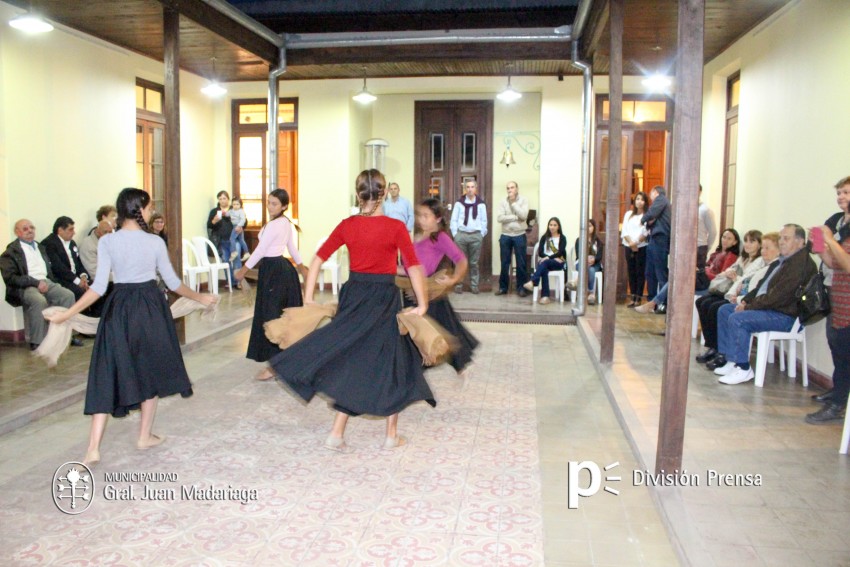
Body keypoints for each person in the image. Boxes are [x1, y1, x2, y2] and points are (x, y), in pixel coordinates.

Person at [44, 188, 217, 466]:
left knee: (106, 373)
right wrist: (201, 297)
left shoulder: (108, 242)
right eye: (148, 208)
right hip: (150, 309)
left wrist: (68, 314)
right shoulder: (154, 242)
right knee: (149, 370)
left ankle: (92, 449)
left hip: (119, 309)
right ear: (139, 209)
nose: (150, 212)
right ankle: (144, 436)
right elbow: (173, 283)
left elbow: (99, 288)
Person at [268, 169, 433, 452]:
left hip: (354, 295)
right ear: (383, 194)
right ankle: (390, 436)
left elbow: (317, 259)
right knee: (394, 360)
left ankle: (337, 433)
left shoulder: (348, 225)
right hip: (383, 298)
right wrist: (422, 303)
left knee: (352, 358)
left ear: (358, 195)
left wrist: (309, 297)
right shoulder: (395, 227)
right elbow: (414, 267)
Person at [712, 224, 817, 385]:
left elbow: (778, 297)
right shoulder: (782, 261)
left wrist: (748, 307)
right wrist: (746, 300)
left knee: (738, 319)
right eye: (780, 238)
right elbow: (761, 286)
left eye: (786, 238)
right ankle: (731, 360)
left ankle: (743, 368)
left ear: (800, 241)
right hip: (769, 308)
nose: (781, 242)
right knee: (725, 310)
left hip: (785, 315)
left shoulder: (800, 265)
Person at [403, 198, 479, 374]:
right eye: (419, 215)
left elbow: (461, 260)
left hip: (431, 296)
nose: (421, 219)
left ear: (437, 218)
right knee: (418, 336)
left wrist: (454, 279)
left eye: (426, 216)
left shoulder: (440, 237)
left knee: (447, 335)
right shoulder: (416, 238)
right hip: (412, 292)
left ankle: (461, 368)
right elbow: (409, 268)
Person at [234, 189, 306, 372]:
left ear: (284, 206)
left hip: (274, 271)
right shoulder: (283, 222)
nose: (270, 206)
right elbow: (291, 247)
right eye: (269, 202)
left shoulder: (277, 224)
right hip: (279, 269)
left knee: (271, 313)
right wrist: (300, 267)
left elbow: (261, 250)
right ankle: (281, 356)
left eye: (274, 204)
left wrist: (243, 271)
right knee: (275, 312)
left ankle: (275, 359)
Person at [807, 176, 850, 423]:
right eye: (839, 193)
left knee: (845, 352)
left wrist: (831, 240)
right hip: (837, 295)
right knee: (837, 347)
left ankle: (838, 405)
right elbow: (834, 263)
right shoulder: (837, 220)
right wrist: (819, 243)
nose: (841, 197)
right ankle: (838, 393)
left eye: (846, 192)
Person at [695, 230, 769, 366]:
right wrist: (728, 273)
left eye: (752, 241)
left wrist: (735, 277)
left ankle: (721, 349)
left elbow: (749, 282)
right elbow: (727, 271)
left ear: (760, 245)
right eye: (746, 241)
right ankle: (712, 345)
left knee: (715, 307)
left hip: (740, 296)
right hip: (730, 291)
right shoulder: (743, 258)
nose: (747, 244)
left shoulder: (760, 262)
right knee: (702, 302)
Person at [1, 219, 76, 350]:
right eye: (25, 229)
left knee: (68, 295)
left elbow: (49, 270)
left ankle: (63, 336)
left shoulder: (40, 247)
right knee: (38, 301)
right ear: (17, 232)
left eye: (32, 227)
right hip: (26, 286)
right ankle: (38, 342)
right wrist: (35, 283)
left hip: (46, 281)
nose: (29, 231)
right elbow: (10, 278)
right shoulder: (11, 252)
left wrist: (50, 282)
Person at [636, 228, 742, 314]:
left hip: (711, 286)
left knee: (676, 283)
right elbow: (707, 266)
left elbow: (722, 276)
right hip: (703, 281)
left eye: (729, 239)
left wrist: (704, 271)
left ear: (735, 242)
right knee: (676, 281)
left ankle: (654, 303)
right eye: (724, 237)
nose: (725, 240)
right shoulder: (717, 253)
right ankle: (658, 308)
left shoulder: (731, 256)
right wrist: (701, 270)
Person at [449, 179, 487, 294]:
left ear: (476, 188)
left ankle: (474, 285)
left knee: (474, 263)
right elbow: (454, 220)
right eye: (468, 187)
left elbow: (484, 221)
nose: (470, 189)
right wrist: (455, 234)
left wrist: (481, 234)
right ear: (465, 189)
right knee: (460, 261)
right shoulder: (459, 203)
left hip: (476, 236)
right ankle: (459, 284)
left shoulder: (481, 204)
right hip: (461, 235)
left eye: (472, 187)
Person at [41, 216, 90, 302]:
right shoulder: (49, 244)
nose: (74, 233)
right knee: (79, 291)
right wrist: (77, 281)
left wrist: (83, 276)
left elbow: (78, 262)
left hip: (75, 277)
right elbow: (58, 268)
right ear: (60, 230)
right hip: (61, 279)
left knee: (96, 287)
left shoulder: (72, 243)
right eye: (70, 230)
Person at [495, 181, 530, 297]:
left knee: (521, 263)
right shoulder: (503, 201)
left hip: (519, 235)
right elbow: (500, 218)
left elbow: (523, 216)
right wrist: (515, 217)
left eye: (512, 187)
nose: (510, 190)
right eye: (508, 188)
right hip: (505, 235)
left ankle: (521, 288)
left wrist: (514, 203)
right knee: (504, 263)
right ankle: (503, 288)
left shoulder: (524, 200)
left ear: (517, 189)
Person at [523, 217, 567, 305]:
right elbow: (540, 253)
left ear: (558, 226)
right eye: (550, 225)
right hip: (546, 261)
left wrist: (549, 258)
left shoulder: (562, 237)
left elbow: (560, 252)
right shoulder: (545, 237)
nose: (552, 227)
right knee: (544, 267)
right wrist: (548, 258)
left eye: (555, 225)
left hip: (558, 262)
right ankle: (545, 297)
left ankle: (533, 282)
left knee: (544, 263)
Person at [642, 185, 671, 303]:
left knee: (660, 272)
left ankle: (663, 302)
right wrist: (648, 221)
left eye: (651, 193)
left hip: (660, 238)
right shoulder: (662, 203)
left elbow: (650, 214)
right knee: (650, 272)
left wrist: (643, 219)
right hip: (654, 238)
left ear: (655, 192)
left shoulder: (661, 199)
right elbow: (650, 220)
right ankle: (652, 300)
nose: (650, 196)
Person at [206, 190, 240, 289]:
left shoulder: (234, 209)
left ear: (228, 199)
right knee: (225, 260)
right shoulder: (214, 211)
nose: (222, 200)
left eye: (224, 198)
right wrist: (214, 220)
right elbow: (209, 225)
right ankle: (230, 282)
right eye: (220, 199)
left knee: (237, 258)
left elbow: (244, 221)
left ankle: (238, 282)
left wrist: (240, 225)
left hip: (234, 239)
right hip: (221, 240)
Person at [621, 191, 649, 307]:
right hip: (628, 246)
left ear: (645, 202)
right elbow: (624, 231)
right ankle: (632, 297)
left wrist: (636, 243)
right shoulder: (628, 214)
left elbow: (646, 232)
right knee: (631, 271)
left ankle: (638, 297)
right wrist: (631, 243)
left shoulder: (647, 215)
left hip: (641, 247)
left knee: (640, 272)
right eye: (637, 199)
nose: (639, 202)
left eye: (642, 199)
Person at [569, 219, 603, 305]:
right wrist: (586, 259)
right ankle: (591, 293)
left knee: (591, 269)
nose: (588, 228)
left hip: (595, 264)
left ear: (594, 228)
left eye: (590, 226)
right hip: (581, 262)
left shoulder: (598, 241)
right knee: (587, 267)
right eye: (586, 226)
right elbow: (579, 253)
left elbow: (599, 256)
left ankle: (576, 281)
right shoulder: (579, 240)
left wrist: (594, 259)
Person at [697, 185, 718, 272]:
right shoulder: (684, 209)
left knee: (697, 275)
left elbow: (713, 232)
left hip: (699, 247)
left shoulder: (705, 210)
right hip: (685, 248)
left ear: (700, 192)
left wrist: (706, 248)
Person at [228, 197, 250, 262]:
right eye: (234, 204)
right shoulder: (231, 211)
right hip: (236, 226)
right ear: (232, 204)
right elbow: (227, 214)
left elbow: (243, 220)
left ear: (240, 205)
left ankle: (234, 252)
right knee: (241, 240)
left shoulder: (241, 211)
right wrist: (223, 213)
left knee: (232, 238)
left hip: (237, 226)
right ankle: (246, 253)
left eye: (237, 204)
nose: (235, 206)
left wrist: (239, 226)